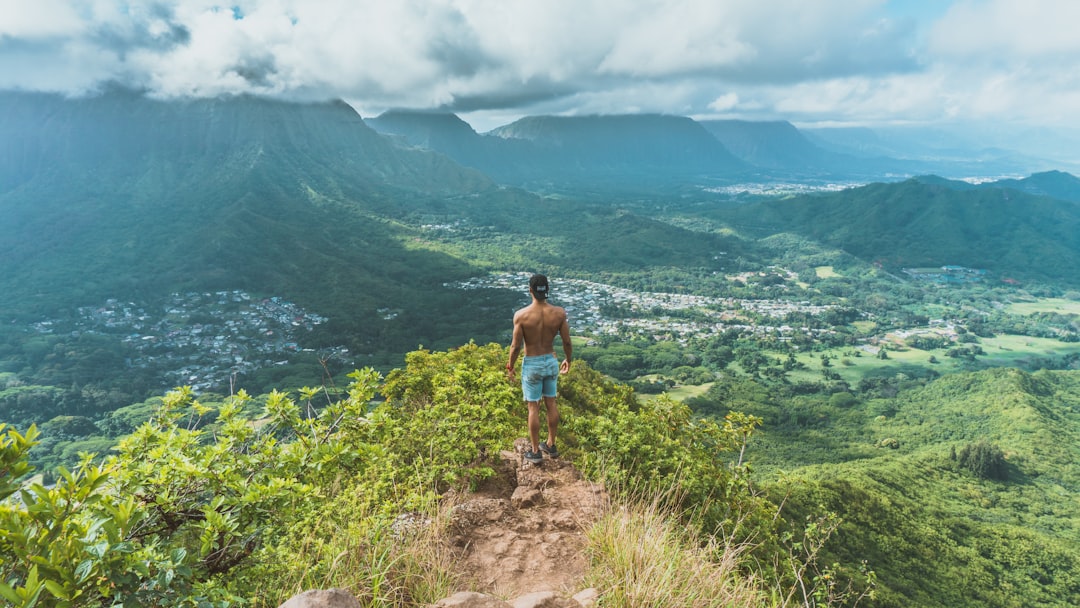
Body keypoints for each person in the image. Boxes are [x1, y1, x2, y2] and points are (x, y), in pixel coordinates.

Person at [506, 273, 572, 465]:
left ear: (530, 290)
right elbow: (566, 341)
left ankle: (535, 451)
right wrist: (568, 360)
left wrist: (511, 366)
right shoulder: (559, 313)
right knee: (551, 403)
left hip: (532, 363)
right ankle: (551, 444)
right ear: (547, 290)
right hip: (551, 361)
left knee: (533, 407)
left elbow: (515, 346)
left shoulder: (521, 315)